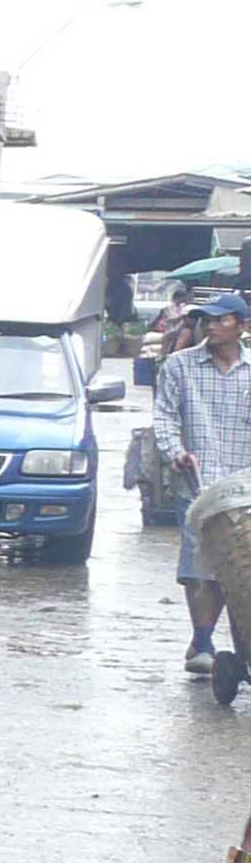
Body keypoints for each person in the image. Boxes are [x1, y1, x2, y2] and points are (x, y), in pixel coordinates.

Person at [150, 290, 251, 679]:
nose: (209, 325)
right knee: (202, 562)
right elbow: (164, 417)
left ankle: (239, 640)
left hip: (244, 486)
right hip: (198, 485)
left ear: (241, 326)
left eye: (220, 319)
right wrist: (175, 451)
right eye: (205, 319)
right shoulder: (180, 366)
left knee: (239, 566)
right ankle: (203, 640)